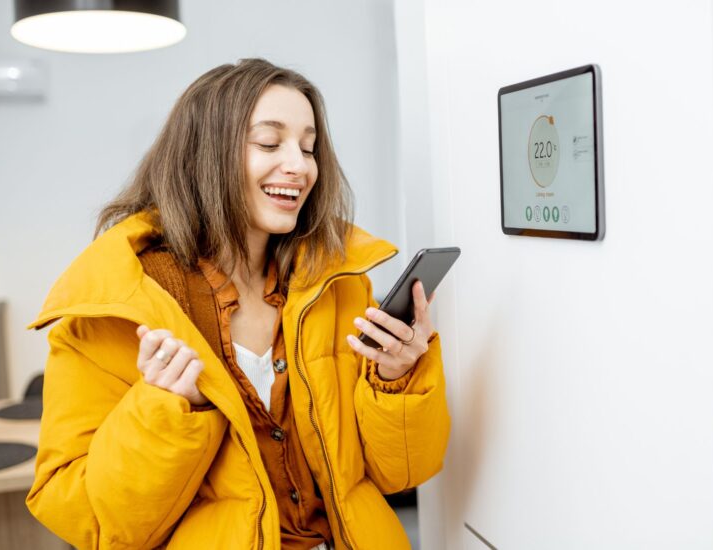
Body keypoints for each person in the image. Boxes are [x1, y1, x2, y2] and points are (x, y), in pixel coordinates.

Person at [26, 58, 450, 550]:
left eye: (309, 147)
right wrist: (167, 410)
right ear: (204, 153)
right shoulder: (112, 311)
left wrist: (396, 378)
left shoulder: (337, 283)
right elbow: (92, 521)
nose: (300, 165)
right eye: (270, 143)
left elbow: (403, 473)